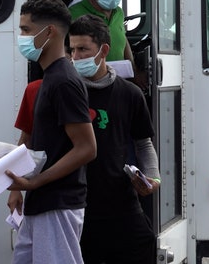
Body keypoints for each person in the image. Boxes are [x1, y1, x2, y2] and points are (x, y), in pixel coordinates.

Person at [6, 0, 97, 264]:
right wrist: (19, 186)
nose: (21, 37)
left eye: (25, 30)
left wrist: (34, 182)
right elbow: (35, 141)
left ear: (50, 32)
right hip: (42, 202)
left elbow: (87, 148)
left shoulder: (64, 82)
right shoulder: (49, 79)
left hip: (58, 203)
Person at [68, 14, 160, 264]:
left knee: (145, 243)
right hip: (77, 206)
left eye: (83, 49)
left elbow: (144, 143)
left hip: (121, 204)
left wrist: (152, 178)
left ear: (104, 50)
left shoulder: (130, 93)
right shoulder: (65, 92)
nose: (76, 57)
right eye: (72, 49)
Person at [68, 0, 147, 89]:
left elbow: (123, 41)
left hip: (118, 81)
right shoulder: (75, 13)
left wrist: (134, 71)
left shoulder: (119, 12)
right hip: (88, 83)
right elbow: (63, 49)